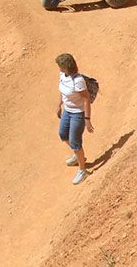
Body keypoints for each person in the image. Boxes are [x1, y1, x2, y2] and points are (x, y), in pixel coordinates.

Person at [55, 52, 93, 184]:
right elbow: (62, 91)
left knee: (75, 141)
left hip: (78, 113)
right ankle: (79, 156)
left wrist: (87, 120)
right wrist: (59, 105)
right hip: (67, 111)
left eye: (60, 65)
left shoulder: (78, 81)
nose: (58, 68)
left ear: (66, 66)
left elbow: (86, 99)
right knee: (63, 135)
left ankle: (83, 170)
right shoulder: (62, 75)